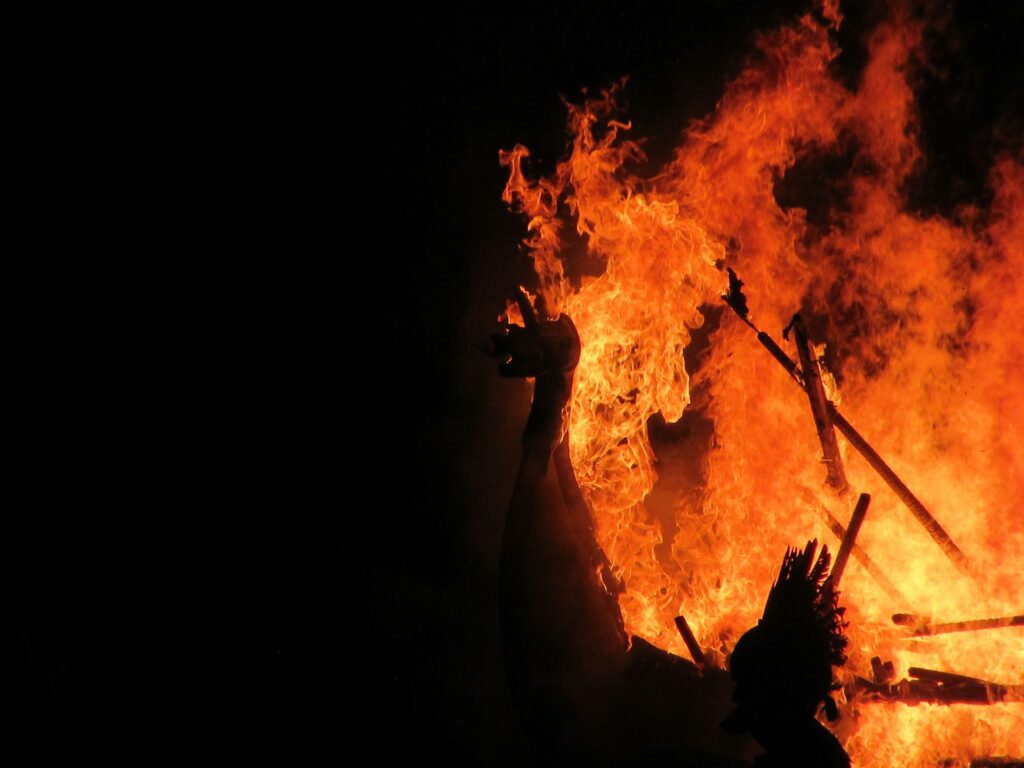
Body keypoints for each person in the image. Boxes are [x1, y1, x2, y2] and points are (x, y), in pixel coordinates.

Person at [491, 289, 849, 766]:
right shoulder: (760, 734)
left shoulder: (714, 742)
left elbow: (560, 651)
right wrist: (554, 424)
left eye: (747, 686)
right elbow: (590, 571)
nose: (738, 690)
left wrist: (544, 444)